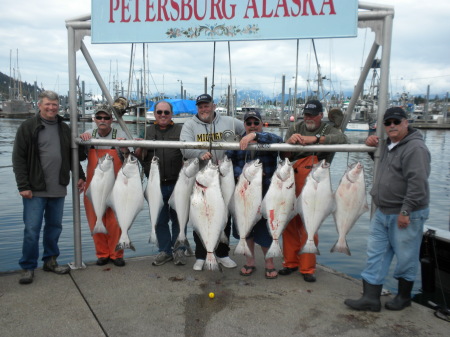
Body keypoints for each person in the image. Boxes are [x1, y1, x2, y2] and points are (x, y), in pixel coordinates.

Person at [345, 107, 430, 312]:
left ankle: (403, 297)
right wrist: (368, 145)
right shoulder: (387, 145)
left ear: (405, 123)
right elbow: (378, 159)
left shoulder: (415, 148)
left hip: (405, 213)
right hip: (382, 211)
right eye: (388, 123)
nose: (392, 126)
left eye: (396, 122)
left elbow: (417, 183)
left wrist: (406, 211)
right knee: (375, 254)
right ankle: (370, 298)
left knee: (406, 256)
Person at [12, 90, 86, 284]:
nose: (52, 107)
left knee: (54, 228)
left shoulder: (64, 128)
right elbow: (18, 159)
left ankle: (50, 260)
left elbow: (72, 156)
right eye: (48, 104)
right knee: (32, 230)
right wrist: (23, 185)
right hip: (34, 189)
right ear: (39, 105)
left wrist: (80, 176)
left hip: (58, 187)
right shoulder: (28, 127)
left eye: (54, 104)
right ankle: (28, 267)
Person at [280, 99, 348, 282]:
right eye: (306, 114)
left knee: (309, 225)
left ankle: (307, 268)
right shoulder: (295, 128)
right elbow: (283, 155)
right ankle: (290, 263)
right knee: (288, 222)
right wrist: (289, 143)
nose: (308, 118)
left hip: (315, 179)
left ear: (320, 116)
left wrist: (316, 140)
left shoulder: (328, 129)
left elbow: (343, 139)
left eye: (312, 115)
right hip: (292, 178)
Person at [180, 93, 245, 271]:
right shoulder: (190, 124)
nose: (203, 109)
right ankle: (201, 255)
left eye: (206, 105)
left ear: (214, 106)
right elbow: (184, 147)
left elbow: (246, 131)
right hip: (202, 177)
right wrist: (198, 153)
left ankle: (223, 254)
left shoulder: (231, 122)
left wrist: (247, 138)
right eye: (200, 106)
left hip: (224, 176)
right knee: (200, 214)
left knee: (225, 215)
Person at [226, 111, 283, 279]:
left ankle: (269, 263)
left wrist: (255, 136)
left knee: (265, 230)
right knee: (245, 229)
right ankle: (250, 261)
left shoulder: (269, 139)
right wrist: (245, 174)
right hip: (243, 193)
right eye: (248, 123)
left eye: (255, 123)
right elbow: (229, 162)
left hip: (265, 193)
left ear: (261, 123)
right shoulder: (236, 141)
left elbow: (280, 142)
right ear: (244, 124)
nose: (252, 125)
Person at [135, 100, 186, 266]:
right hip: (155, 186)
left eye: (166, 112)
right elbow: (140, 156)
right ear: (155, 114)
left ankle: (179, 250)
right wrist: (136, 147)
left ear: (171, 114)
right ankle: (165, 251)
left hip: (178, 184)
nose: (163, 115)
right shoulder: (148, 131)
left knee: (179, 219)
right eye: (159, 112)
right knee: (159, 220)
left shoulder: (181, 130)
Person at [79, 104, 130, 267]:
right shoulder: (88, 135)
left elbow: (130, 156)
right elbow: (78, 157)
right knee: (95, 220)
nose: (102, 120)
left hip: (116, 186)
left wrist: (124, 147)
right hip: (94, 186)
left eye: (106, 118)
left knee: (116, 221)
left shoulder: (120, 134)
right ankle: (102, 254)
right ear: (94, 119)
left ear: (111, 120)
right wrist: (81, 143)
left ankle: (117, 254)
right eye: (99, 117)